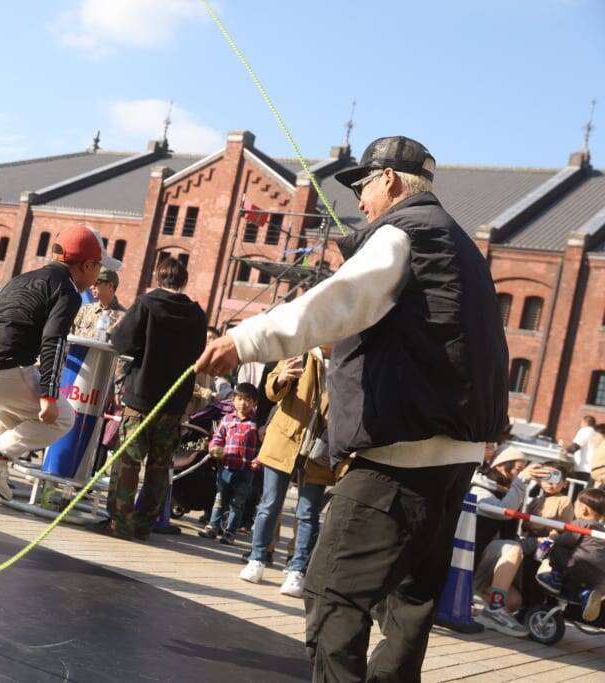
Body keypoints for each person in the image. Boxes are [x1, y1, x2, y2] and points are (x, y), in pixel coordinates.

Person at [195, 136, 509, 680]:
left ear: (388, 179)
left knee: (331, 593)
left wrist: (244, 341)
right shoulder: (458, 246)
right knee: (409, 608)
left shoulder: (403, 233)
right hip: (455, 458)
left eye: (362, 185)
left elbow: (342, 302)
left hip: (399, 460)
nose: (359, 200)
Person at [0, 225, 116, 500]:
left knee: (28, 406)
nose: (97, 276)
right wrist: (50, 396)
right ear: (87, 265)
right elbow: (54, 341)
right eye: (98, 267)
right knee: (63, 417)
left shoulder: (24, 278)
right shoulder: (67, 292)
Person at [107, 256, 207, 540]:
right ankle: (144, 524)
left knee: (128, 461)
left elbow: (122, 342)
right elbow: (199, 353)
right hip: (174, 400)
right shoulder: (197, 314)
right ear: (183, 281)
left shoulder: (146, 304)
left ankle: (121, 522)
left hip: (141, 396)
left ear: (159, 278)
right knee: (160, 466)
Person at [239, 347, 337, 599]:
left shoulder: (348, 360)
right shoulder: (303, 351)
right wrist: (281, 378)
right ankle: (257, 558)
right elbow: (271, 390)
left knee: (308, 513)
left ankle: (297, 569)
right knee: (269, 504)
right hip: (284, 439)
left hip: (320, 448)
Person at [469, 446, 551, 635]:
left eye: (524, 469)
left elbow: (507, 537)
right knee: (513, 549)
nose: (521, 473)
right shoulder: (480, 488)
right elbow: (506, 511)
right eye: (518, 468)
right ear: (501, 466)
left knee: (514, 602)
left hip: (480, 560)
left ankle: (489, 609)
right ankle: (491, 610)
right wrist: (521, 481)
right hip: (464, 561)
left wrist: (538, 542)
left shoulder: (507, 490)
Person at [198, 382, 262, 544]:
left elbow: (263, 447)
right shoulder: (226, 420)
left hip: (245, 470)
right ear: (233, 400)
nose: (243, 403)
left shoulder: (256, 423)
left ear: (254, 403)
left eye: (248, 400)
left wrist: (258, 460)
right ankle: (212, 527)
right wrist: (215, 449)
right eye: (239, 399)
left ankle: (230, 533)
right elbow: (217, 439)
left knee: (237, 503)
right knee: (220, 499)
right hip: (225, 468)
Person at [536, 487, 605, 622]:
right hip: (599, 575)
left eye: (575, 506)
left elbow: (568, 540)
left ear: (583, 509)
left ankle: (556, 579)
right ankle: (586, 594)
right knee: (594, 583)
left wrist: (554, 536)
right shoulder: (601, 530)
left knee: (556, 546)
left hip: (579, 566)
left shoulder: (581, 523)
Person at [72, 267, 126, 338]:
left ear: (110, 286)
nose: (91, 287)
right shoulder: (85, 310)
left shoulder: (124, 317)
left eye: (96, 283)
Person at [190, 327, 234, 414]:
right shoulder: (193, 358)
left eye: (214, 339)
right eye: (209, 337)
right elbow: (188, 385)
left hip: (201, 414)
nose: (211, 341)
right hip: (188, 409)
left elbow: (216, 384)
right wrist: (206, 393)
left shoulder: (212, 365)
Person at [564, 416, 598, 484]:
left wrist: (564, 450)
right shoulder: (596, 433)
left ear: (585, 422)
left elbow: (574, 447)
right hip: (591, 470)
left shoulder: (586, 430)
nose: (580, 425)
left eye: (581, 423)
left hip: (583, 469)